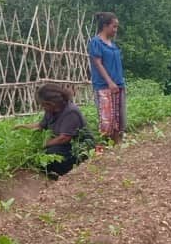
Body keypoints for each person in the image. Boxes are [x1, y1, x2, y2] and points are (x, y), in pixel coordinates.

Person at [13, 84, 94, 179]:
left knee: (51, 154)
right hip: (65, 146)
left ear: (51, 103)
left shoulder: (71, 112)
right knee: (46, 155)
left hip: (79, 149)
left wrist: (42, 145)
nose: (42, 107)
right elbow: (40, 126)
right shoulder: (51, 111)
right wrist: (22, 127)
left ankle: (66, 175)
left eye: (43, 104)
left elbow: (64, 138)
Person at [88, 12, 125, 145]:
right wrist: (110, 82)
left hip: (118, 84)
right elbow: (98, 63)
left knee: (117, 118)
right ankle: (109, 147)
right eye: (114, 27)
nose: (115, 30)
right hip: (104, 85)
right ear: (105, 26)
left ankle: (118, 144)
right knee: (107, 119)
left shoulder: (111, 44)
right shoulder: (96, 42)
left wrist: (117, 82)